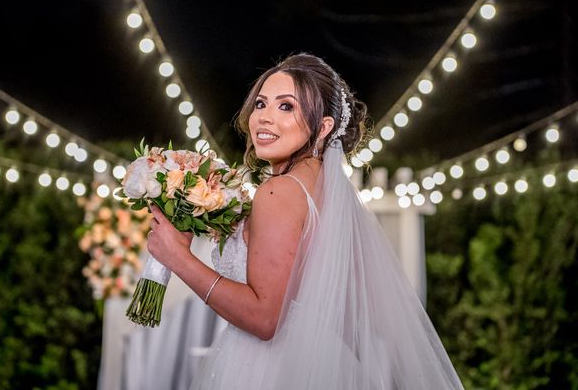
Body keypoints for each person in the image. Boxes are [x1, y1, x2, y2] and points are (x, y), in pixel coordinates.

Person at [146, 53, 464, 389]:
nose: (265, 119)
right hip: (323, 360)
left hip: (271, 370)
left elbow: (264, 318)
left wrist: (178, 258)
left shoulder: (278, 192)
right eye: (260, 104)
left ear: (324, 126)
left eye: (286, 107)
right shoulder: (322, 188)